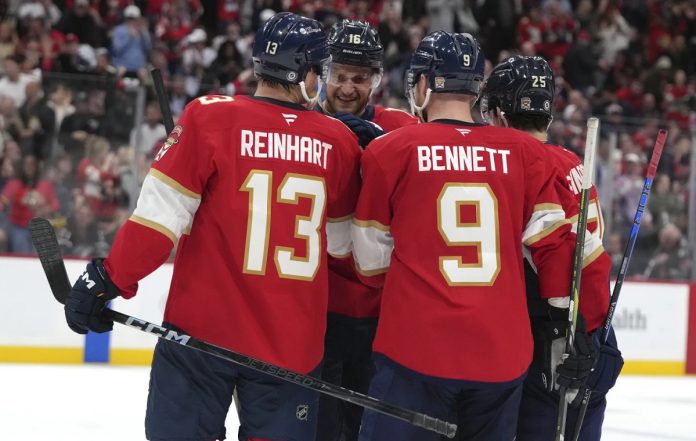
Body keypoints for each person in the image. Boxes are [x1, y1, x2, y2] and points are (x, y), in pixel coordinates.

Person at [61, 12, 362, 441]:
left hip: (201, 335)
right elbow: (343, 245)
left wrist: (107, 279)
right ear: (305, 71)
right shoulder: (339, 142)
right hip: (291, 346)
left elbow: (157, 224)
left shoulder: (209, 118)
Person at [351, 31, 579, 441]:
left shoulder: (391, 150)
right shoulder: (525, 153)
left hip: (415, 350)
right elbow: (555, 246)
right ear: (477, 90)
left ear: (422, 84)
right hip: (501, 357)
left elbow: (370, 264)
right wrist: (560, 327)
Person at [479, 55, 624, 441]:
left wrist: (561, 331)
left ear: (497, 111)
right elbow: (591, 258)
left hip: (549, 340)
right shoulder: (572, 161)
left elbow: (553, 252)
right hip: (593, 335)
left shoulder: (517, 163)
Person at [315, 19, 417, 441]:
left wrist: (380, 149)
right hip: (313, 310)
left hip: (381, 315)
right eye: (339, 75)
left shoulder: (402, 130)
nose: (347, 87)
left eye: (359, 78)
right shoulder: (297, 125)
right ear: (323, 73)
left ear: (376, 80)